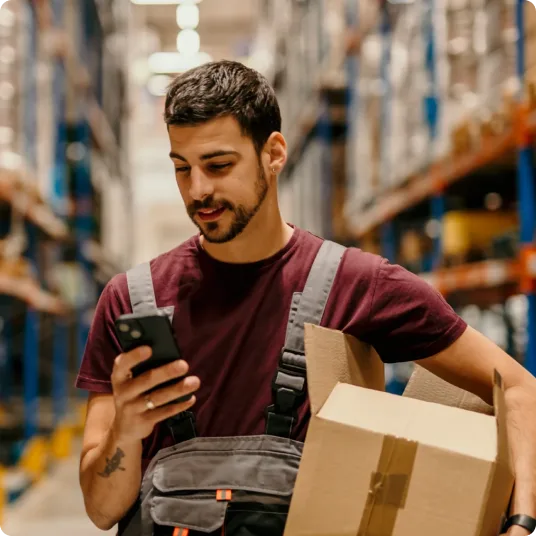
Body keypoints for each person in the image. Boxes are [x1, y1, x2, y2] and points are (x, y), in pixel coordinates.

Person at [77, 60, 536, 535]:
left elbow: (521, 390)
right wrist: (125, 432)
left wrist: (522, 522)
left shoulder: (357, 285)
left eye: (218, 165)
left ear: (274, 153)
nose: (198, 190)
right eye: (181, 168)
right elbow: (102, 509)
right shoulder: (131, 299)